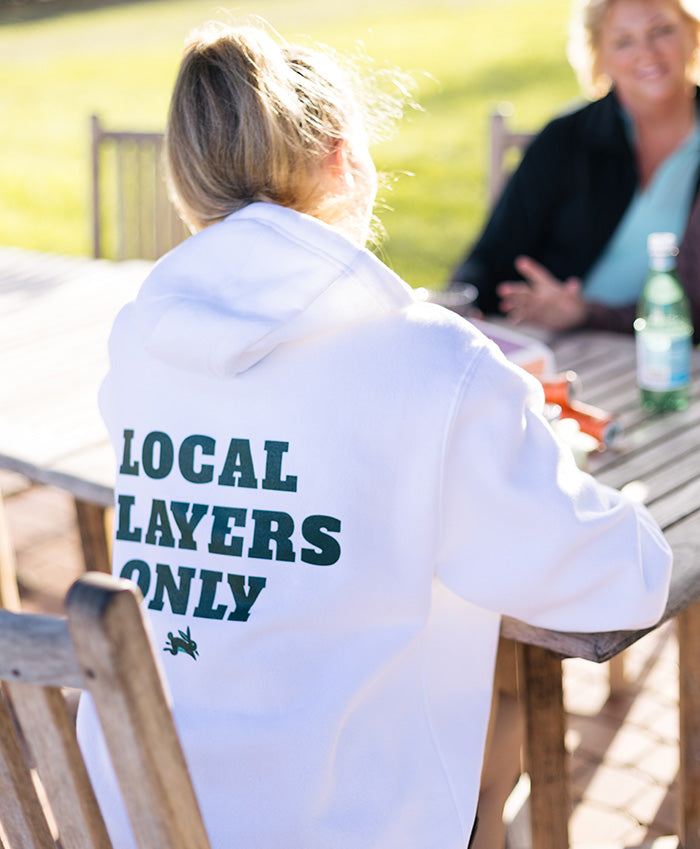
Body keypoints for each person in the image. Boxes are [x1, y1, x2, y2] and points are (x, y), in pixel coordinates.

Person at [77, 18, 673, 849]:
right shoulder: (428, 359)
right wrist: (522, 432)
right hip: (338, 825)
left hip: (144, 806)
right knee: (497, 730)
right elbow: (618, 581)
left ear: (190, 184)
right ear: (340, 158)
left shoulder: (137, 341)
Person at [451, 0, 700, 338]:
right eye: (624, 41)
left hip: (674, 348)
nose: (648, 52)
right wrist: (453, 314)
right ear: (601, 57)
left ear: (692, 33)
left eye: (662, 31)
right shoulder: (566, 138)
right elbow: (488, 260)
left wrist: (587, 314)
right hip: (562, 343)